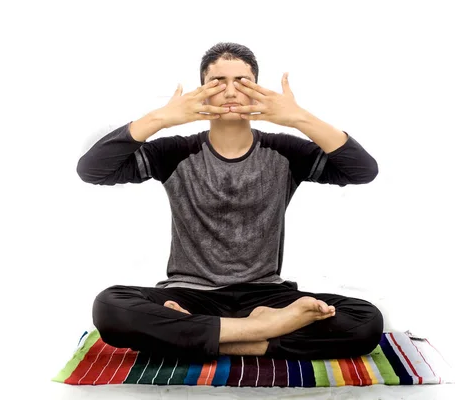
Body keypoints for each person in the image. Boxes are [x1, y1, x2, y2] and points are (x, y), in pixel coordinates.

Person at [77, 42, 383, 361]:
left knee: (365, 320)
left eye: (242, 81)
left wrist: (298, 118)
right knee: (109, 306)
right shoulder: (173, 153)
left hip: (267, 296)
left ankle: (199, 336)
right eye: (218, 82)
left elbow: (362, 170)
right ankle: (258, 335)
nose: (230, 91)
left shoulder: (286, 152)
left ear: (256, 90)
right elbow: (93, 169)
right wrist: (162, 118)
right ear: (202, 92)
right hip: (190, 295)